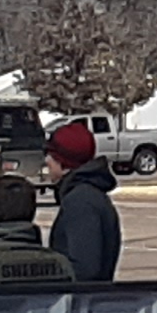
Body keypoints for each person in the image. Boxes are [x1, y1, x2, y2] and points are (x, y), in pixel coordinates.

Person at [46, 119, 122, 282]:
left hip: (82, 304)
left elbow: (85, 269)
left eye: (51, 156)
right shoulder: (89, 195)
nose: (47, 161)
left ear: (64, 163)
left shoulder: (81, 203)